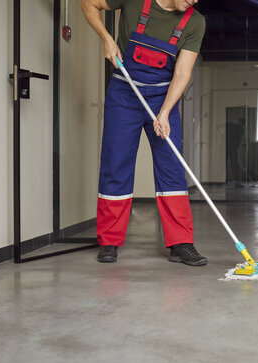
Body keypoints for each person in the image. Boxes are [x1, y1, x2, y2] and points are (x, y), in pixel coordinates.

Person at [80, 0, 207, 266]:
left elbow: (182, 74)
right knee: (116, 164)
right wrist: (106, 38)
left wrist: (164, 112)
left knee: (172, 167)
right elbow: (88, 3)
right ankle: (109, 240)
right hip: (125, 92)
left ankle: (181, 243)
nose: (194, 0)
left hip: (164, 97)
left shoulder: (195, 22)